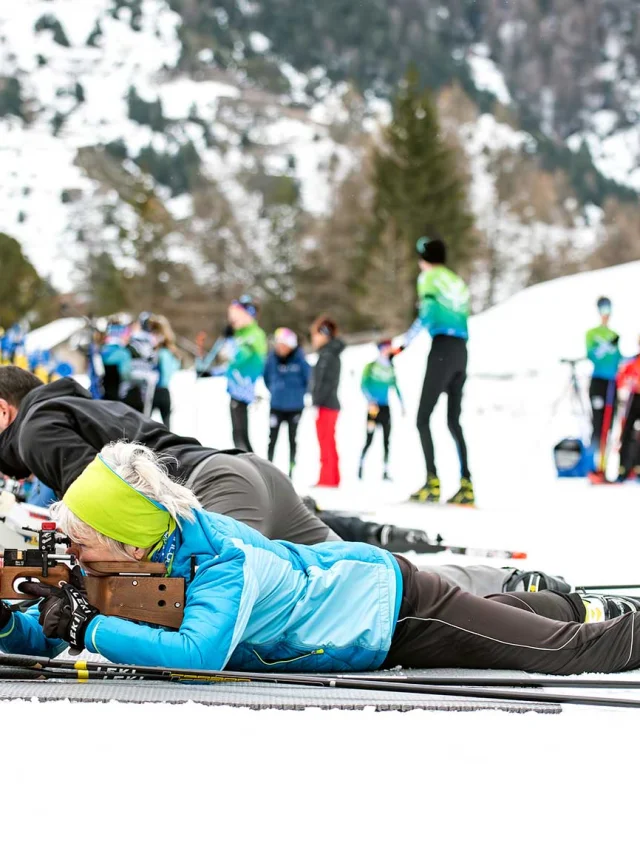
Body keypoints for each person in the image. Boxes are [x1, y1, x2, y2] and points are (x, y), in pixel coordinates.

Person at [3, 440, 640, 677]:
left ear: (126, 534)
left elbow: (201, 656)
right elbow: (52, 632)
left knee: (563, 651)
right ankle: (579, 604)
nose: (73, 550)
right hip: (368, 632)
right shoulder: (130, 562)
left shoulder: (224, 560)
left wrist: (92, 625)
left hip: (397, 609)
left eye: (81, 535)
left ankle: (615, 628)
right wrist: (14, 623)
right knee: (501, 619)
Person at [394, 237, 473, 506]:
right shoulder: (457, 281)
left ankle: (432, 482)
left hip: (441, 349)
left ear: (425, 258)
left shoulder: (428, 278)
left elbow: (426, 314)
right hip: (462, 350)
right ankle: (466, 484)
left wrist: (403, 344)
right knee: (454, 420)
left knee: (422, 418)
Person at [214, 295, 267, 452]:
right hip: (235, 387)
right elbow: (224, 358)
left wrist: (230, 342)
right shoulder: (240, 334)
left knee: (241, 434)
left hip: (244, 388)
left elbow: (237, 358)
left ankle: (251, 468)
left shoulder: (254, 335)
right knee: (237, 433)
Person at [263, 327, 310, 478]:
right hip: (276, 406)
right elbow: (266, 377)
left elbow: (308, 380)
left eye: (283, 344)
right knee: (272, 438)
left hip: (295, 407)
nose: (280, 347)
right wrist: (275, 391)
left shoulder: (300, 359)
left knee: (292, 438)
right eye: (278, 344)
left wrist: (297, 394)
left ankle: (291, 469)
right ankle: (268, 467)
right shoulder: (271, 359)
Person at [586, 296, 622, 482]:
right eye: (603, 309)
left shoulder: (615, 334)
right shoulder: (592, 334)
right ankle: (592, 466)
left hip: (612, 383)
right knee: (599, 424)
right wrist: (606, 347)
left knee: (609, 425)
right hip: (598, 382)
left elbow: (618, 360)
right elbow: (591, 355)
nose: (606, 313)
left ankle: (604, 467)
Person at [359, 339, 404, 481]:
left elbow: (396, 387)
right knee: (369, 438)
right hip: (373, 408)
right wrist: (370, 400)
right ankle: (360, 466)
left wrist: (402, 404)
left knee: (386, 440)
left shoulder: (391, 368)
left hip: (386, 408)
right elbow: (363, 384)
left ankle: (385, 470)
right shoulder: (371, 366)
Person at [310, 315, 344, 487]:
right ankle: (332, 477)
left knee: (326, 442)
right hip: (328, 404)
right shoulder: (328, 354)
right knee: (328, 441)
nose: (313, 339)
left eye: (316, 334)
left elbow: (324, 383)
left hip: (326, 405)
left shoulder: (328, 356)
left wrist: (316, 402)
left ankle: (328, 479)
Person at [149, 315, 181, 429]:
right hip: (161, 391)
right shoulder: (169, 351)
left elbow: (167, 372)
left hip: (156, 391)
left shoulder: (163, 353)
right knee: (166, 426)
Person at [616, 341, 640, 482]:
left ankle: (637, 467)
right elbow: (622, 378)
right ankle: (623, 468)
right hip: (634, 398)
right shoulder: (632, 361)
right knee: (626, 433)